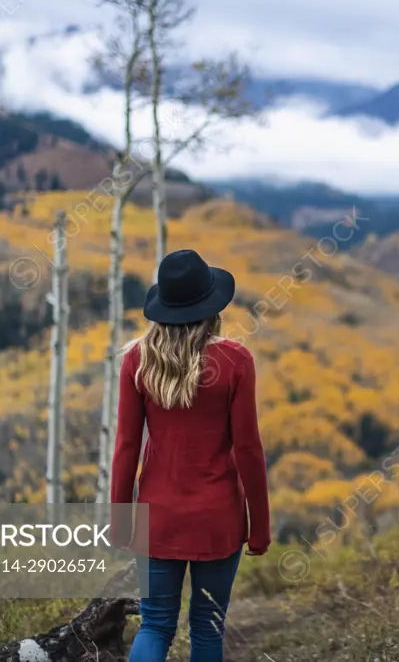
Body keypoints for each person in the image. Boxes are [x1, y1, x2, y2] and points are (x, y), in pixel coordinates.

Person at [110, 249, 271, 662]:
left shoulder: (136, 360)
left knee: (155, 624)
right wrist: (260, 526)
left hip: (158, 519)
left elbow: (126, 446)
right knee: (207, 626)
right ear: (212, 307)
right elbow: (248, 448)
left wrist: (120, 520)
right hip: (218, 519)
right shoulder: (236, 361)